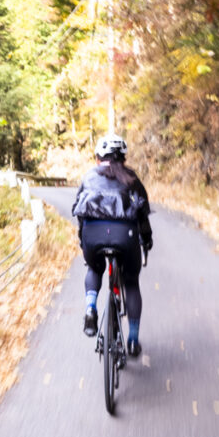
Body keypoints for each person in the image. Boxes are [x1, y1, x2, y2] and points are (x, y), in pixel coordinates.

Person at [71, 134, 153, 357]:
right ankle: (133, 340)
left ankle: (90, 308)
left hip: (93, 234)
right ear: (123, 158)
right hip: (125, 235)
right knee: (131, 282)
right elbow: (143, 213)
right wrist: (146, 239)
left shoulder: (88, 176)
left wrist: (84, 238)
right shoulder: (131, 178)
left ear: (98, 157)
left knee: (94, 268)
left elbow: (79, 210)